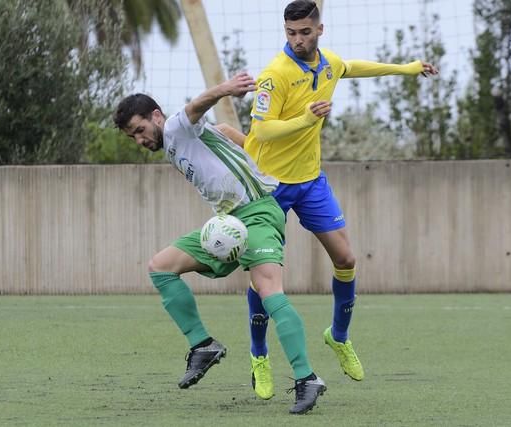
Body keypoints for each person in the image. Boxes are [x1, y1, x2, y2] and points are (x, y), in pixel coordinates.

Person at [239, 0, 440, 400]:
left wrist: (407, 68)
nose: (297, 40)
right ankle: (259, 356)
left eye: (305, 32)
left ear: (320, 30)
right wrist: (307, 119)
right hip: (266, 187)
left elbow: (354, 67)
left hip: (311, 182)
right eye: (290, 33)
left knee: (346, 260)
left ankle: (339, 336)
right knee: (265, 279)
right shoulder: (273, 76)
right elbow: (261, 132)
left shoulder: (328, 62)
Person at [112, 72, 326, 415]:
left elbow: (196, 106)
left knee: (270, 290)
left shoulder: (175, 128)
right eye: (131, 136)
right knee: (161, 267)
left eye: (139, 130)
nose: (139, 140)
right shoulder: (175, 144)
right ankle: (203, 345)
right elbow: (224, 136)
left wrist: (225, 89)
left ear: (155, 116)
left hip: (255, 215)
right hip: (227, 224)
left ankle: (307, 377)